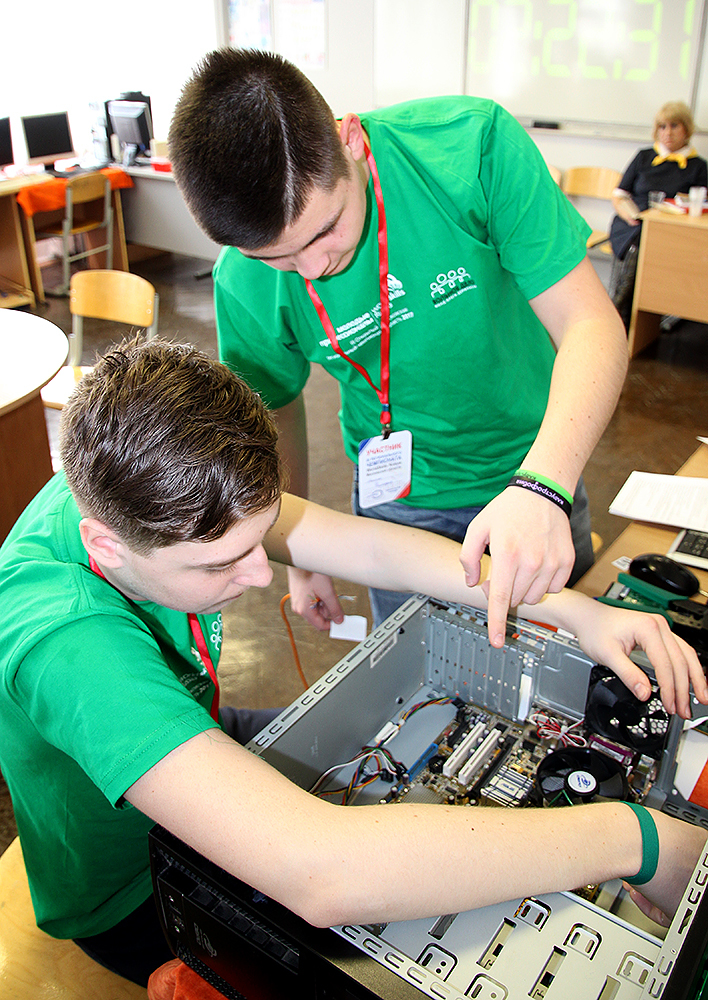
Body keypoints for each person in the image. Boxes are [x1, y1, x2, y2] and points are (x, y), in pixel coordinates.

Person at [0, 338, 705, 988]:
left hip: (200, 719)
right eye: (221, 564)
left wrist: (575, 612)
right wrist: (636, 840)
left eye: (261, 540)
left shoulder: (135, 472)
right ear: (107, 545)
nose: (260, 574)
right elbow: (320, 872)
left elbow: (370, 547)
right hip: (135, 884)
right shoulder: (65, 639)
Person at [167, 48, 630, 643]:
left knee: (568, 655)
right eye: (275, 257)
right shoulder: (241, 280)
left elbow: (590, 324)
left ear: (351, 142)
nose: (314, 268)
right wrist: (299, 551)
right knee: (426, 675)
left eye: (325, 229)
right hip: (399, 502)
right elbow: (272, 409)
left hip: (539, 459)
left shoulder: (470, 149)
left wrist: (544, 486)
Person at [609, 100, 708, 328]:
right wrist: (630, 215)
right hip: (632, 223)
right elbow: (619, 195)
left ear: (686, 129)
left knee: (650, 242)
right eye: (662, 127)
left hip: (672, 229)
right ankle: (623, 308)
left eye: (674, 126)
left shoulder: (698, 166)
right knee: (639, 239)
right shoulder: (644, 156)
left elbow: (701, 205)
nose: (668, 133)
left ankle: (622, 307)